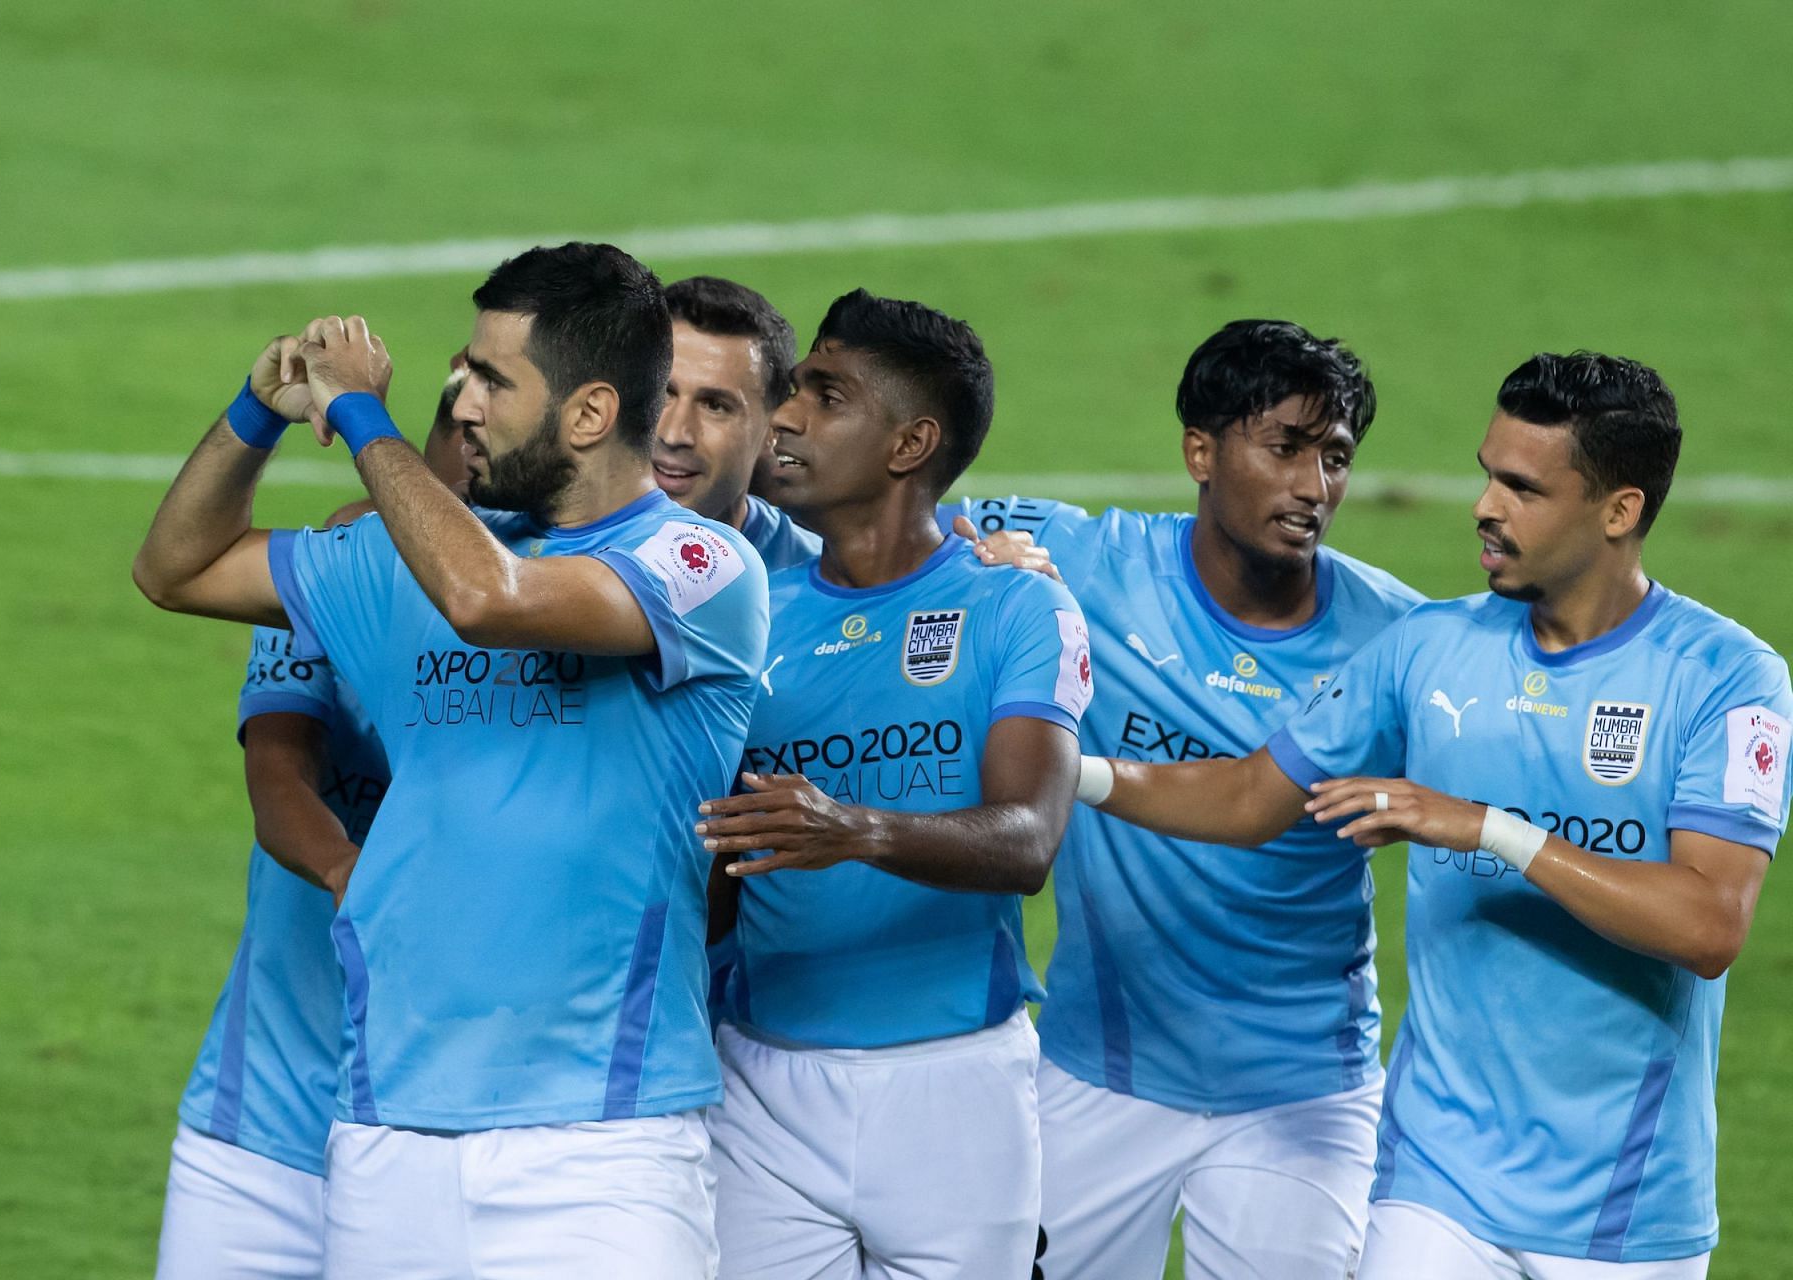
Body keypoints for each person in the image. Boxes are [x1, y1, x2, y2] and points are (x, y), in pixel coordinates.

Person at [133, 242, 769, 1278]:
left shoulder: (696, 564)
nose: (463, 402)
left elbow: (493, 601)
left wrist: (361, 419)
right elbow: (177, 566)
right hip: (388, 1131)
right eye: (464, 374)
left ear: (591, 413)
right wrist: (258, 409)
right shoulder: (400, 566)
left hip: (602, 1146)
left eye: (493, 379)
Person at [1081, 353, 1791, 1278]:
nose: (1485, 506)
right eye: (1489, 473)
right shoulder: (1430, 648)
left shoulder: (1728, 680)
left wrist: (1490, 828)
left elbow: (1708, 925)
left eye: (1523, 487)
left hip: (1621, 1210)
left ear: (1619, 511)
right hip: (1434, 1182)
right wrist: (1078, 774)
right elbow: (1253, 795)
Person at [948, 319, 1422, 1278]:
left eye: (1334, 457)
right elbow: (893, 527)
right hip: (1097, 1074)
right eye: (1283, 447)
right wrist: (984, 571)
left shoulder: (1399, 639)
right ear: (1200, 451)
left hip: (1302, 1099)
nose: (1313, 487)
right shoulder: (1083, 563)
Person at [694, 289, 1093, 1278]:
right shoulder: (746, 608)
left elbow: (1030, 838)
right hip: (762, 1078)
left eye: (825, 396)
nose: (783, 417)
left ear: (910, 442)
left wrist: (857, 828)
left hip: (953, 1086)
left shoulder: (1015, 604)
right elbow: (715, 857)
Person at [155, 374, 468, 1280]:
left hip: (443, 1138)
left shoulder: (557, 600)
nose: (470, 449)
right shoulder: (341, 561)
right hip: (259, 1125)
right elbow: (278, 774)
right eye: (453, 422)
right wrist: (351, 873)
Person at [656, 275, 819, 572]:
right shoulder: (549, 547)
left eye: (715, 406)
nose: (674, 434)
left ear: (774, 427)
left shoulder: (813, 580)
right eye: (661, 394)